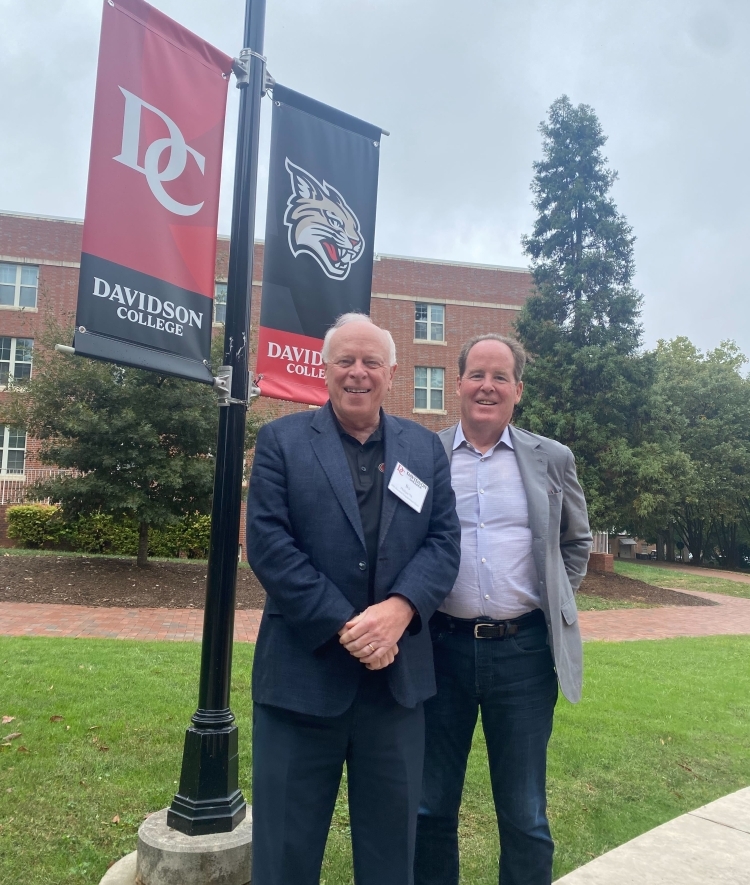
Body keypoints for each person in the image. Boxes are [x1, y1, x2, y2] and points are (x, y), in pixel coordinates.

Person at [246, 313, 461, 885]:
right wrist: (351, 628)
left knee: (392, 860)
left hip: (395, 689)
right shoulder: (281, 442)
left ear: (392, 372)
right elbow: (269, 547)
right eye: (345, 361)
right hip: (300, 683)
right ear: (325, 368)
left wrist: (401, 610)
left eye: (370, 362)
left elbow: (443, 542)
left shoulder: (424, 449)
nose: (358, 373)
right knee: (284, 860)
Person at [414, 333, 592, 885]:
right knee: (429, 807)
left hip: (525, 655)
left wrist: (557, 598)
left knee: (524, 813)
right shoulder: (425, 456)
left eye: (499, 377)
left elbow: (576, 541)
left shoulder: (552, 459)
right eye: (476, 375)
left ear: (517, 389)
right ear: (458, 384)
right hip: (439, 652)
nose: (486, 386)